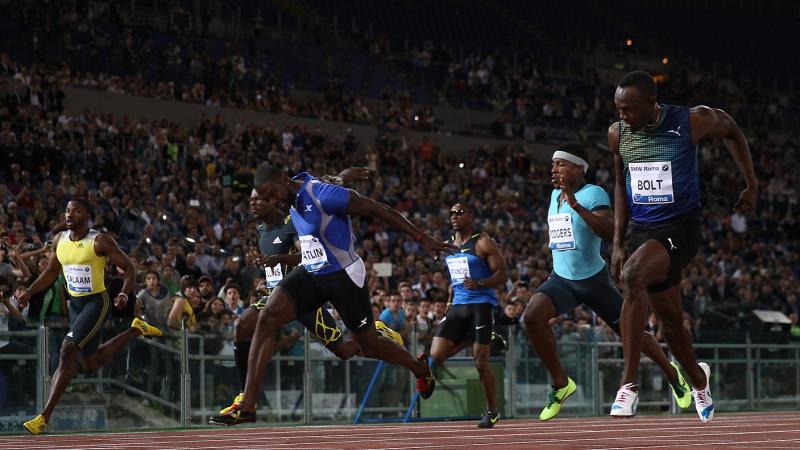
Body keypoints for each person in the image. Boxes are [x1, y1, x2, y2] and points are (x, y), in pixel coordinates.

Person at [211, 164, 455, 425]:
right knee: (266, 317)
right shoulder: (290, 194)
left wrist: (421, 236)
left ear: (283, 180)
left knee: (368, 346)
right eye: (265, 197)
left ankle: (420, 368)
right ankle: (247, 406)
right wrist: (340, 176)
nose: (272, 201)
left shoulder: (321, 194)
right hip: (312, 273)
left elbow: (375, 208)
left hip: (344, 277)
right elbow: (316, 182)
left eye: (272, 194)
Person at [608, 71, 757, 422]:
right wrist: (617, 241)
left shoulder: (690, 120)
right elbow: (619, 185)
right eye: (618, 109)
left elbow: (732, 129)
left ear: (650, 103)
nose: (622, 116)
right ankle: (699, 379)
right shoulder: (618, 135)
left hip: (682, 228)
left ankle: (628, 385)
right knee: (673, 327)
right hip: (643, 232)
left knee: (632, 277)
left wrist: (752, 184)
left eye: (628, 109)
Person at [522, 143, 691, 422]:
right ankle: (561, 385)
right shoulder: (554, 195)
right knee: (532, 317)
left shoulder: (593, 194)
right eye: (553, 164)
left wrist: (576, 206)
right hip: (562, 278)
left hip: (593, 280)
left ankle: (673, 374)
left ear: (579, 168)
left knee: (631, 332)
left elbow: (608, 229)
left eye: (561, 164)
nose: (554, 168)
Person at [16, 198, 162, 434]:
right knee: (90, 363)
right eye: (67, 210)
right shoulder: (60, 240)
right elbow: (52, 271)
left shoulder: (99, 241)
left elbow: (130, 269)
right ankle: (136, 330)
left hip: (97, 302)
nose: (69, 214)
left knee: (67, 349)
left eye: (76, 211)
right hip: (75, 305)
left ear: (88, 215)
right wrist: (29, 292)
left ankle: (44, 417)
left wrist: (125, 294)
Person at [431, 202, 508, 428]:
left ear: (471, 215)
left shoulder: (483, 242)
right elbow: (455, 277)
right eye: (452, 213)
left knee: (480, 362)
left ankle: (492, 411)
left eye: (460, 212)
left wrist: (481, 283)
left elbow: (503, 274)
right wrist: (448, 300)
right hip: (458, 305)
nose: (454, 216)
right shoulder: (449, 246)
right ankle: (476, 337)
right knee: (436, 355)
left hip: (481, 304)